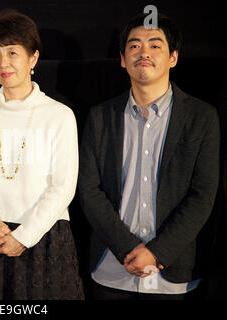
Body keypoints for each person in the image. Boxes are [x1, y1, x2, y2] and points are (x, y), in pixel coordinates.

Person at [78, 13, 221, 300]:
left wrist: (156, 252)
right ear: (122, 59)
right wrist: (127, 248)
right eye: (134, 45)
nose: (143, 52)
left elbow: (202, 194)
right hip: (112, 268)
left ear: (173, 58)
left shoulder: (201, 117)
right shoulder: (100, 117)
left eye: (155, 45)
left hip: (173, 272)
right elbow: (89, 190)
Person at [0, 9, 85, 300]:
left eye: (12, 53)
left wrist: (24, 236)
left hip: (45, 238)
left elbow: (63, 187)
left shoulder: (59, 114)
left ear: (33, 58)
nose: (3, 63)